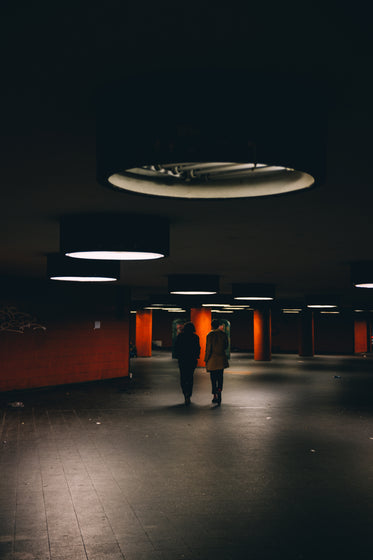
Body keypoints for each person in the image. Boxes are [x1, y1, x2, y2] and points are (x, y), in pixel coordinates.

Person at [174, 321, 200, 405]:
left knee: (183, 376)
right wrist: (196, 356)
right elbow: (197, 348)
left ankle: (185, 393)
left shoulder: (180, 336)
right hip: (192, 359)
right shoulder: (195, 337)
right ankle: (189, 394)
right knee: (190, 377)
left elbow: (176, 347)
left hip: (182, 359)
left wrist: (178, 356)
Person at [204, 319, 229, 405]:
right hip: (221, 359)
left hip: (212, 359)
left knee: (213, 378)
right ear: (218, 325)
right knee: (220, 376)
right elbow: (226, 345)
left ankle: (215, 395)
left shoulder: (210, 335)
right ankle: (219, 390)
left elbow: (208, 348)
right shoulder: (223, 334)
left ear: (212, 326)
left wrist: (206, 359)